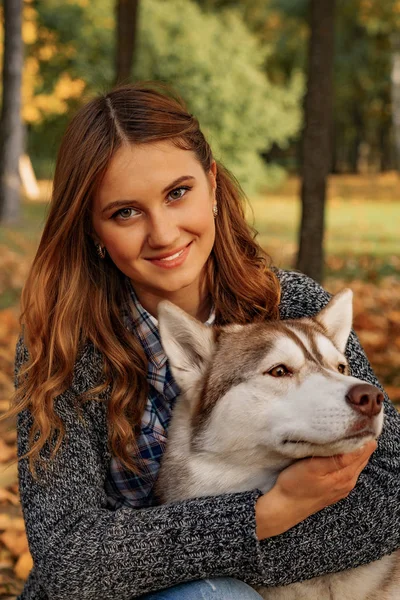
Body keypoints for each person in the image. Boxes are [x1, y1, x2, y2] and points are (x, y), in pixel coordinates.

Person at [10, 83, 400, 600]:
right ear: (92, 231)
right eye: (126, 212)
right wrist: (268, 514)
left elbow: (390, 489)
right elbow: (68, 557)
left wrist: (169, 550)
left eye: (178, 193)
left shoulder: (295, 305)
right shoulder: (63, 347)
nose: (164, 234)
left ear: (212, 185)